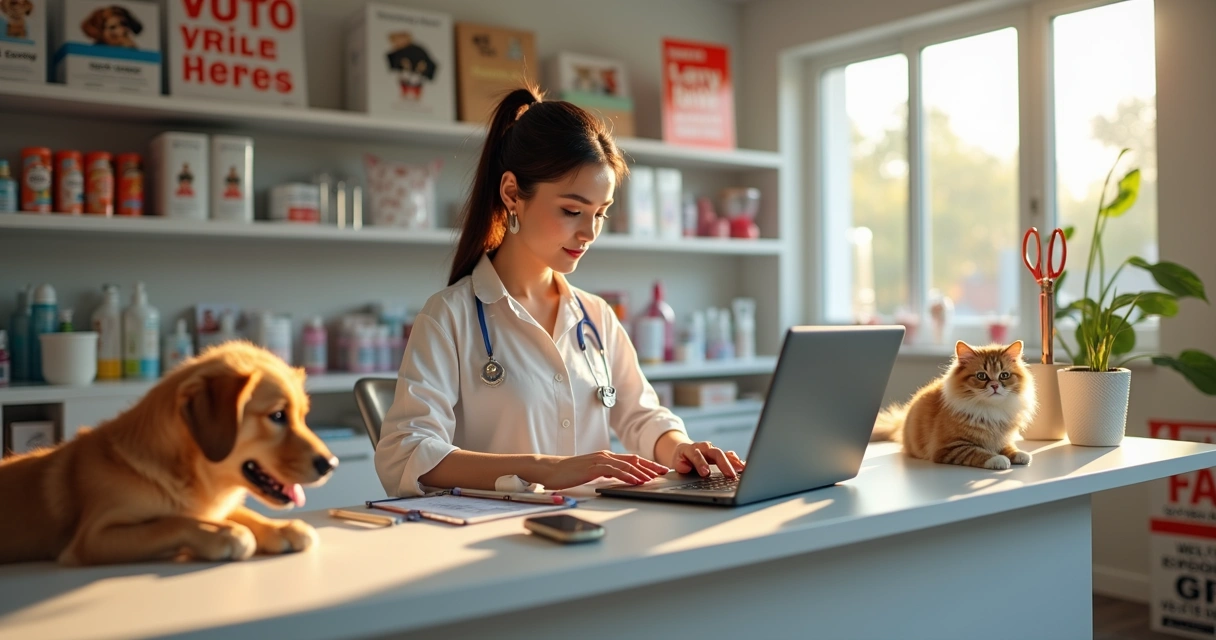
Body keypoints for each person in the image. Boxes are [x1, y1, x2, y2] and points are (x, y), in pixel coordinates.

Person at [374, 85, 746, 497]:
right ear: (512, 193)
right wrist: (544, 469)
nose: (589, 232)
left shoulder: (597, 316)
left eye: (600, 213)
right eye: (572, 211)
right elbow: (404, 454)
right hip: (493, 539)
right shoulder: (449, 317)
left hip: (590, 530)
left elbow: (642, 417)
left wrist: (681, 448)